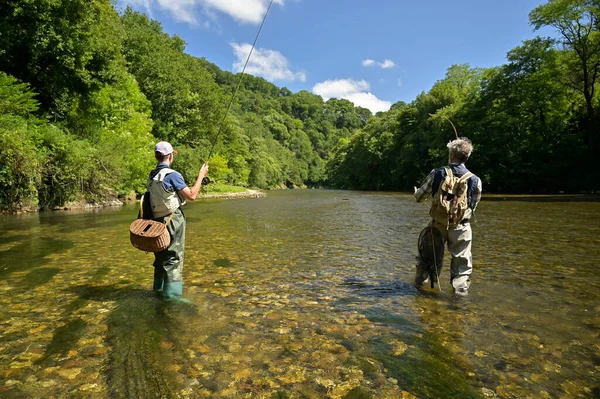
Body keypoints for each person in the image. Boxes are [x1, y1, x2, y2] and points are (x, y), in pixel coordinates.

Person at [413, 137, 482, 296]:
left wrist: (416, 191)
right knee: (462, 266)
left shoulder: (437, 173)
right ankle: (459, 300)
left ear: (451, 155)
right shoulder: (476, 180)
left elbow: (419, 197)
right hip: (461, 227)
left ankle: (424, 293)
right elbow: (473, 206)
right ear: (467, 156)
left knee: (429, 261)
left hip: (438, 225)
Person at [147, 141, 209, 299]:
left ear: (156, 156)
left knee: (160, 255)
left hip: (156, 221)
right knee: (174, 257)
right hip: (172, 220)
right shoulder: (172, 175)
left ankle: (158, 290)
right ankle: (173, 297)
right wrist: (201, 175)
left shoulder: (152, 175)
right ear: (170, 157)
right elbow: (192, 195)